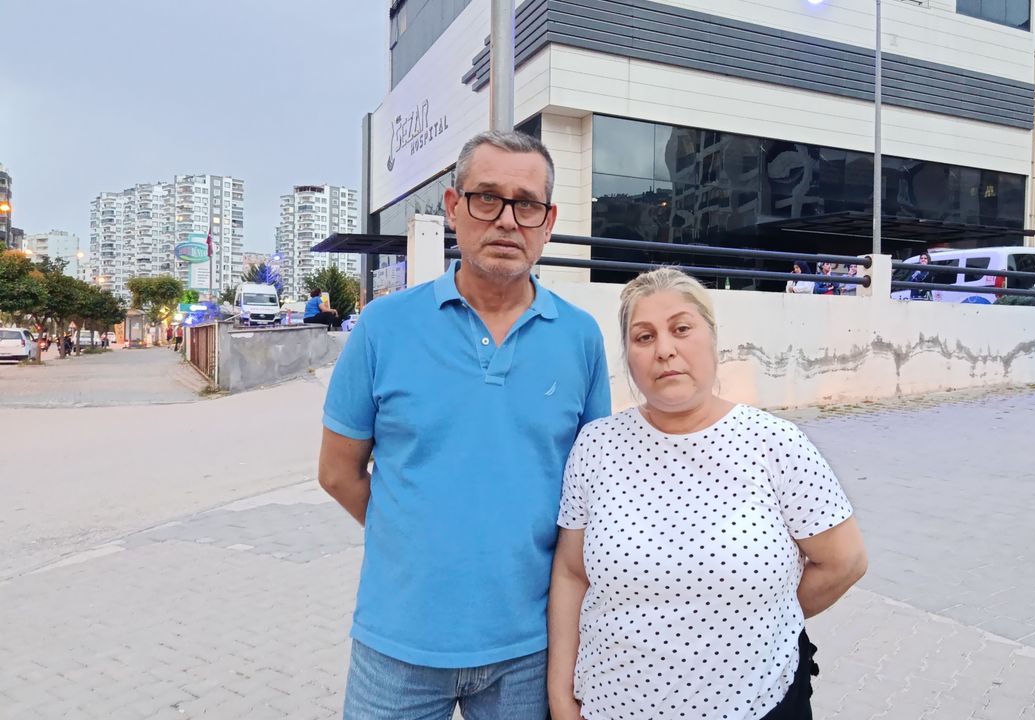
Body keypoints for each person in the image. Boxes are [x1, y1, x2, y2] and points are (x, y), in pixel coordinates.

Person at [319, 130, 612, 720]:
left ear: (549, 222)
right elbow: (337, 473)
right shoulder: (383, 327)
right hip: (398, 643)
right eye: (487, 198)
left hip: (531, 647)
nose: (507, 219)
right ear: (453, 207)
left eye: (526, 204)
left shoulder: (580, 338)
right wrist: (418, 539)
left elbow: (591, 490)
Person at [548, 267, 868, 720]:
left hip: (758, 706)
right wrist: (561, 697)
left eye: (681, 329)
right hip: (612, 705)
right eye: (644, 337)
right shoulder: (596, 446)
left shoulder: (775, 443)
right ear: (628, 355)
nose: (664, 349)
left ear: (713, 338)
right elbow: (570, 572)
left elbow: (844, 561)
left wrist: (754, 619)